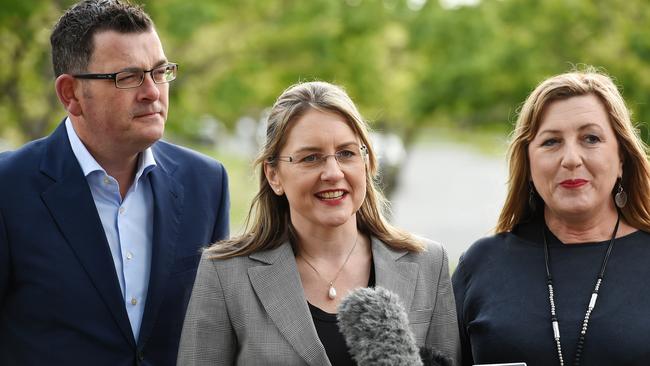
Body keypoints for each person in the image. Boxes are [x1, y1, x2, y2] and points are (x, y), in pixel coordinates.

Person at [0, 1, 230, 365]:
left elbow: (217, 329)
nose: (152, 92)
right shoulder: (8, 187)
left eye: (159, 72)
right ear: (70, 94)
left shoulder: (207, 182)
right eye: (128, 77)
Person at [177, 81, 460, 365]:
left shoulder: (428, 265)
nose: (333, 172)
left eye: (346, 153)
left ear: (366, 161)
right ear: (274, 174)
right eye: (311, 158)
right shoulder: (225, 273)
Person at [452, 68, 650, 366]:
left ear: (621, 158)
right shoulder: (480, 265)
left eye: (591, 138)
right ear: (529, 164)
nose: (571, 159)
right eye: (551, 142)